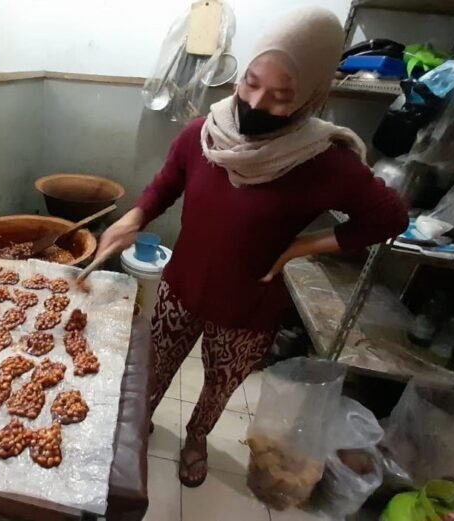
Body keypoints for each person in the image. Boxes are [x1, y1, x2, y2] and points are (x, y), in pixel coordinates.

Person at [96, 7, 409, 487]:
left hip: (249, 307)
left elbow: (390, 218)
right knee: (153, 368)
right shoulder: (203, 132)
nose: (256, 102)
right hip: (182, 286)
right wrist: (134, 218)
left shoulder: (325, 161)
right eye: (250, 82)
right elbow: (167, 184)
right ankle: (139, 421)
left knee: (219, 385)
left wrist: (302, 246)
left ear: (310, 97)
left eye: (281, 95)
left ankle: (197, 439)